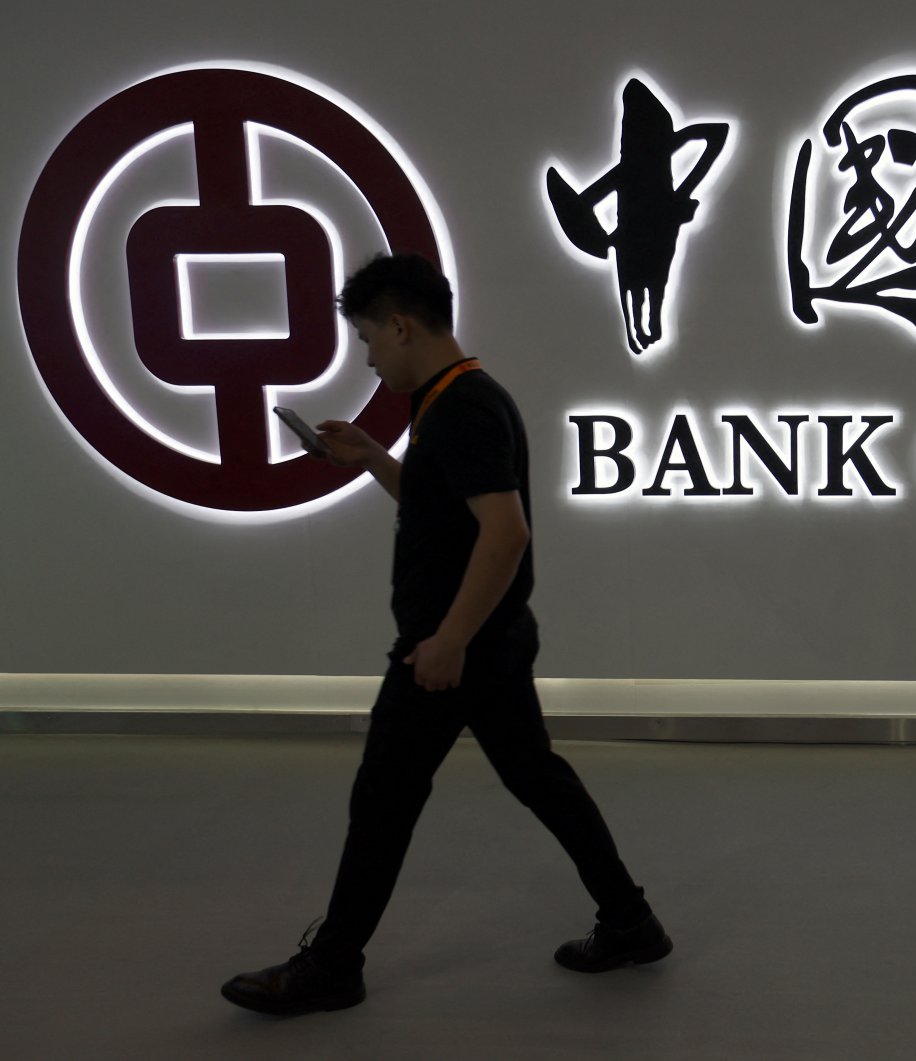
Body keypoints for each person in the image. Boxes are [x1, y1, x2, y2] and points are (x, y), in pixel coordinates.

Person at [221, 252, 669, 1017]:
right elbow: (450, 505)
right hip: (482, 642)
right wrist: (372, 462)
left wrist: (449, 641)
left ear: (399, 325)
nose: (367, 355)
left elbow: (505, 534)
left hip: (453, 649)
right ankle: (630, 919)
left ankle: (333, 964)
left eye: (367, 338)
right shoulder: (455, 399)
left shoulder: (461, 407)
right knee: (537, 777)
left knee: (385, 797)